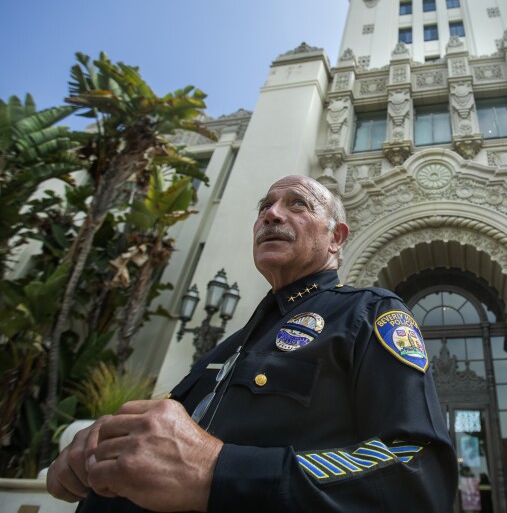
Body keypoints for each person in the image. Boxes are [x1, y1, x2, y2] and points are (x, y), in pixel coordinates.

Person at [47, 175, 458, 512]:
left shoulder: (368, 314)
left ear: (336, 237)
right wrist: (109, 445)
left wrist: (217, 469)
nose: (272, 214)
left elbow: (417, 471)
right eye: (264, 206)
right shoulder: (225, 348)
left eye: (297, 204)